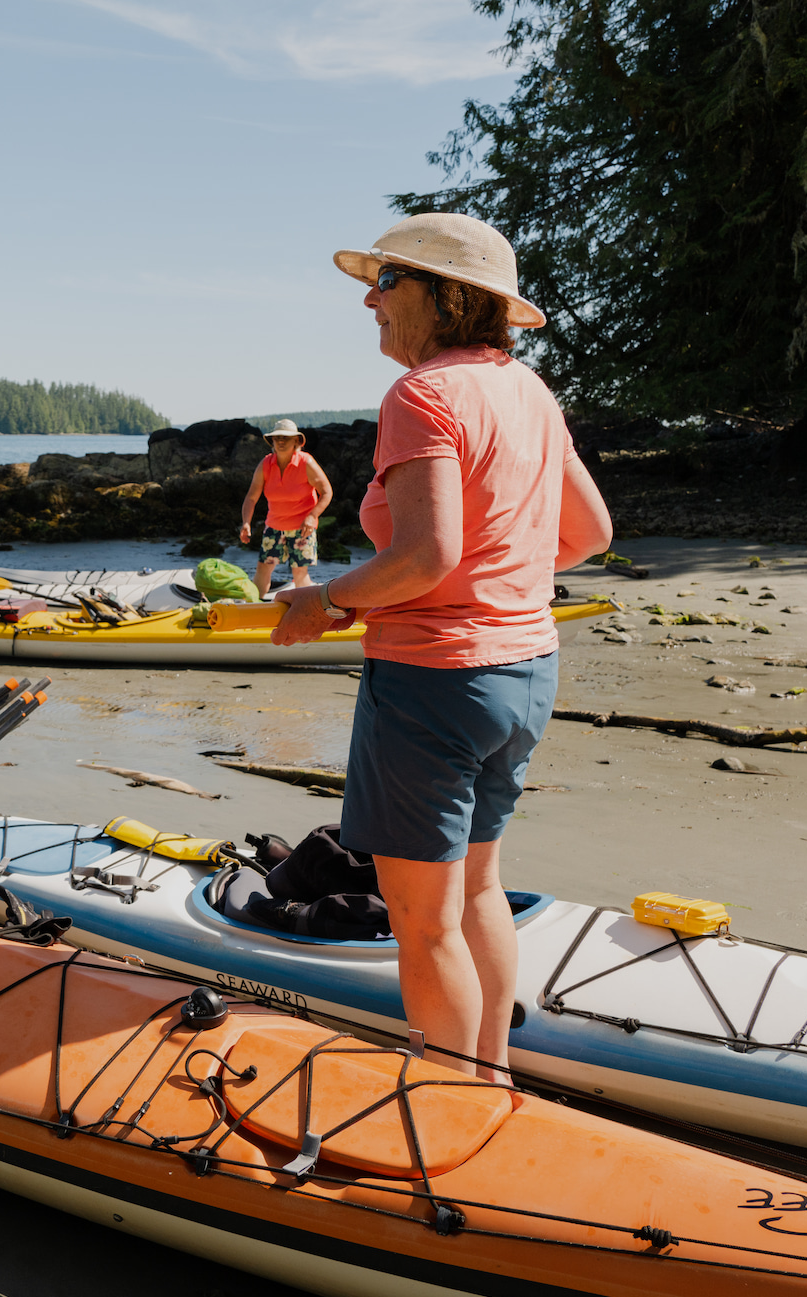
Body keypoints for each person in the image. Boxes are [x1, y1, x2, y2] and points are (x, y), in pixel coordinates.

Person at [271, 215, 613, 1082]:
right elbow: (590, 532)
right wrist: (488, 583)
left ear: (446, 297)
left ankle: (451, 1100)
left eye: (388, 283)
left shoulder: (421, 396)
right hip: (525, 674)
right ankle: (491, 1081)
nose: (370, 299)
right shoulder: (530, 391)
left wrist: (326, 598)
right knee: (477, 891)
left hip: (435, 685)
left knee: (422, 923)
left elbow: (426, 556)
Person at [237, 419, 333, 598]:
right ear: (272, 441)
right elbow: (251, 498)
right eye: (277, 438)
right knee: (263, 569)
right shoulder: (265, 464)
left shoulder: (306, 463)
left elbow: (327, 492)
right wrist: (246, 523)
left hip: (302, 529)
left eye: (286, 438)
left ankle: (304, 611)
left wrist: (312, 516)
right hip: (274, 527)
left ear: (296, 441)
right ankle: (254, 609)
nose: (281, 441)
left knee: (299, 573)